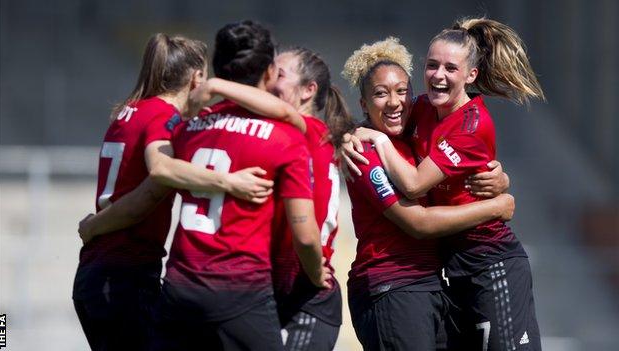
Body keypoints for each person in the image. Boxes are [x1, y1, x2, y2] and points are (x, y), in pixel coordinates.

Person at [348, 19, 545, 350]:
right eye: (432, 65)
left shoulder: (471, 123)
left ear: (471, 75)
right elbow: (383, 110)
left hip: (490, 261)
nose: (439, 75)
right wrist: (349, 132)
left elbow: (413, 184)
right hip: (450, 271)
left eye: (451, 68)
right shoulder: (423, 107)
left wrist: (501, 191)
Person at [151, 20, 329, 351]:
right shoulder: (286, 136)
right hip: (241, 292)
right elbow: (305, 235)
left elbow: (154, 181)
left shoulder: (188, 127)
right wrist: (317, 273)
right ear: (270, 72)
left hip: (179, 287)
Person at [72, 33, 216, 351]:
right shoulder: (165, 118)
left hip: (98, 273)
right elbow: (150, 188)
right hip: (124, 275)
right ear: (196, 78)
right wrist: (94, 226)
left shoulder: (129, 112)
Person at [265, 47, 354, 350]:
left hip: (306, 289)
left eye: (278, 74)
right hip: (276, 291)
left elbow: (305, 235)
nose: (267, 81)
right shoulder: (301, 134)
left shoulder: (305, 132)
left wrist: (215, 85)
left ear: (308, 90)